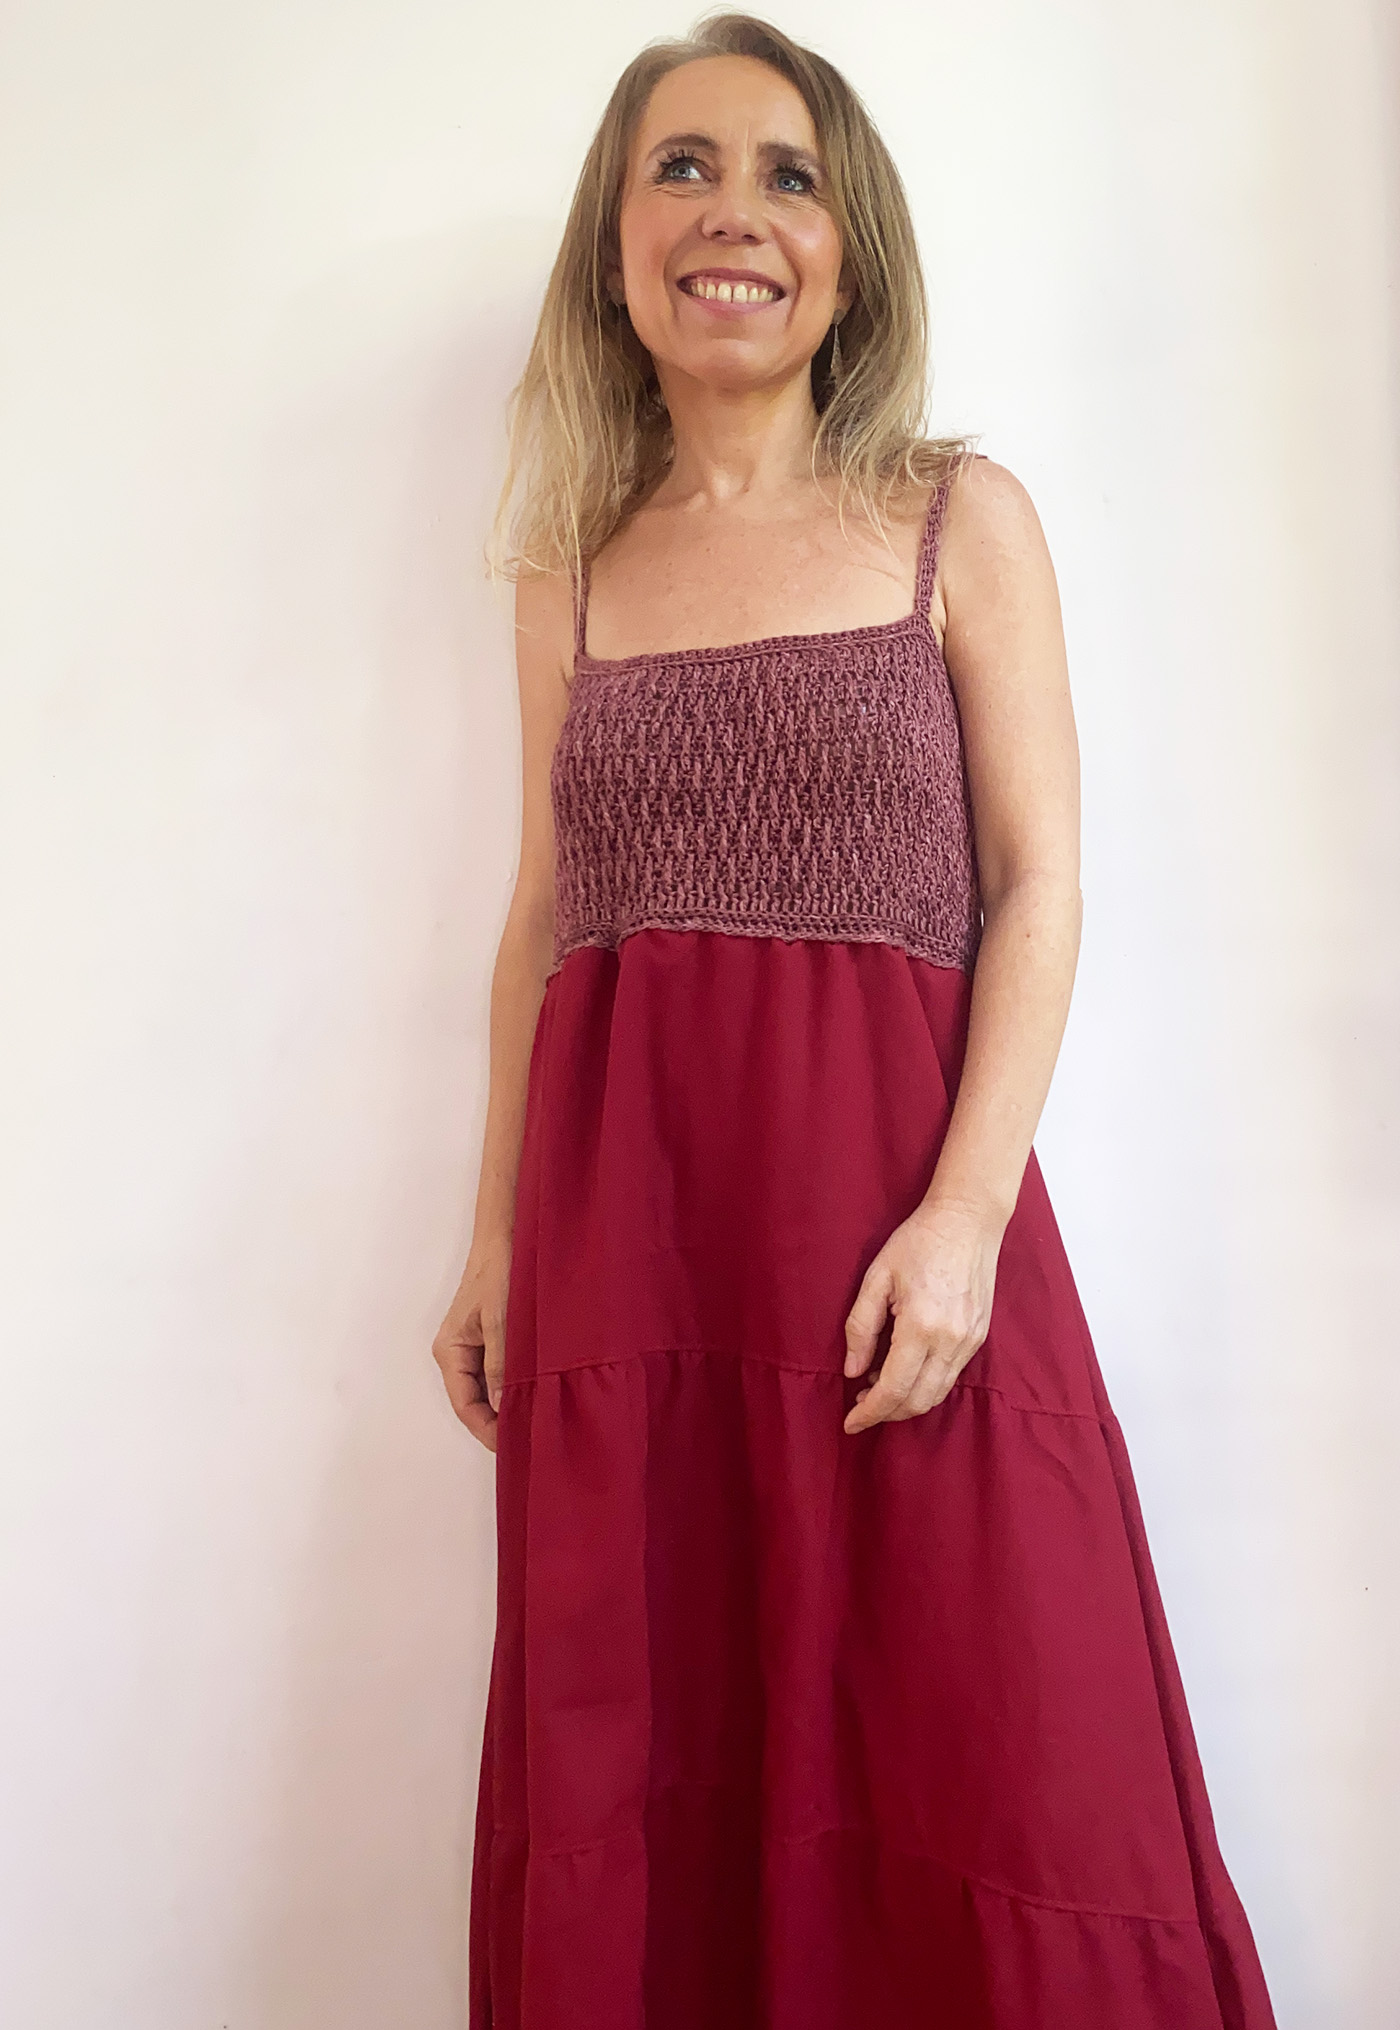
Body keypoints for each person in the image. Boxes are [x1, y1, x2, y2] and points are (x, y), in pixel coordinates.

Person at [433, 13, 1278, 2026]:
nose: (735, 212)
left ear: (848, 250)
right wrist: (491, 1240)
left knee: (998, 1749)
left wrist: (966, 1215)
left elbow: (1038, 883)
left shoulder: (952, 519)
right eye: (684, 168)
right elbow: (546, 919)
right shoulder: (566, 578)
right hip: (637, 1270)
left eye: (788, 175)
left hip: (905, 1262)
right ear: (615, 247)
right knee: (673, 1765)